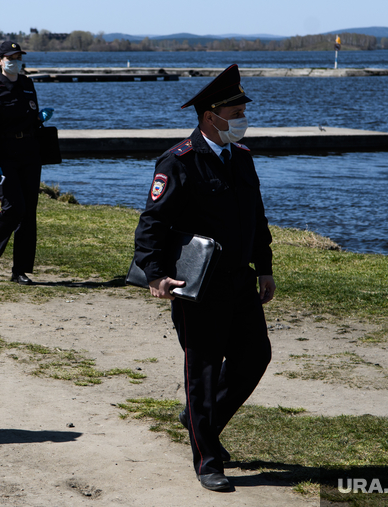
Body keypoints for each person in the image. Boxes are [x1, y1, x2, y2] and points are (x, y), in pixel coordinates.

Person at [133, 65, 276, 492]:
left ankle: (200, 420)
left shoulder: (242, 158)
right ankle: (207, 460)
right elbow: (152, 224)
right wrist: (155, 275)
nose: (242, 118)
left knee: (255, 358)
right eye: (235, 112)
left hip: (241, 281)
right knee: (204, 372)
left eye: (242, 111)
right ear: (210, 116)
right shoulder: (179, 162)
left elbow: (257, 218)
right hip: (199, 288)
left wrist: (265, 267)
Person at [0, 40, 54, 285]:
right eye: (10, 57)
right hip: (5, 157)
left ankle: (19, 270)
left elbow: (30, 117)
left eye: (18, 56)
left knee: (28, 213)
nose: (15, 61)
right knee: (14, 207)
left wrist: (39, 119)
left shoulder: (27, 84)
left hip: (30, 154)